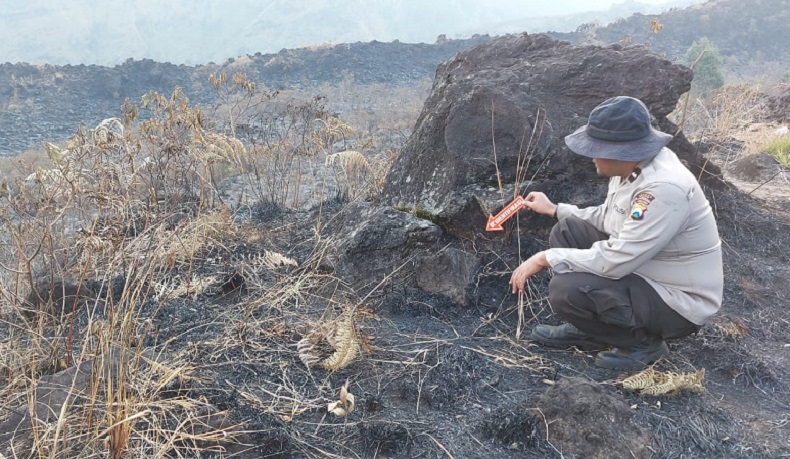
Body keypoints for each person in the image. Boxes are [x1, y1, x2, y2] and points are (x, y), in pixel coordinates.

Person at [509, 96, 723, 371]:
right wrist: (555, 209)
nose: (591, 156)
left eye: (596, 148)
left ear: (623, 151)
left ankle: (641, 344)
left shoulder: (663, 189)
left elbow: (618, 258)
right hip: (648, 268)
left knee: (566, 290)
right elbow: (612, 220)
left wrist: (544, 258)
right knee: (569, 231)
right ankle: (594, 330)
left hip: (678, 301)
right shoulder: (634, 167)